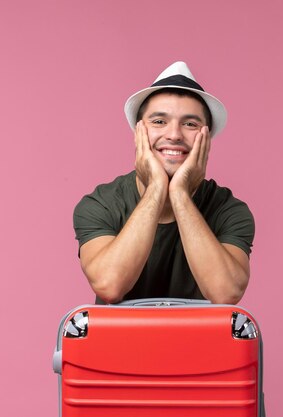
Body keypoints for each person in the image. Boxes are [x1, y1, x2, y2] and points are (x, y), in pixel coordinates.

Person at [73, 61, 255, 305]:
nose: (174, 135)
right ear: (139, 132)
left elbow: (225, 293)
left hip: (201, 343)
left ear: (207, 138)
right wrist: (157, 188)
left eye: (190, 124)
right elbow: (109, 285)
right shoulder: (102, 204)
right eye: (159, 121)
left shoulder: (229, 210)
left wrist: (179, 194)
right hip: (119, 343)